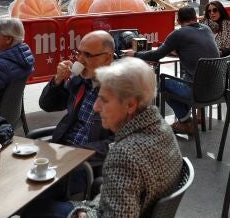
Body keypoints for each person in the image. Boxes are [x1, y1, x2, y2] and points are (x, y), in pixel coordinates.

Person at [64, 58, 183, 218]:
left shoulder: (125, 155)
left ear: (130, 105)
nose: (96, 107)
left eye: (104, 100)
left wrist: (83, 213)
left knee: (38, 208)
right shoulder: (162, 127)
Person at [127, 6, 219, 134]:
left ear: (179, 21)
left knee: (162, 83)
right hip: (217, 90)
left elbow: (157, 55)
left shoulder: (179, 33)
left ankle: (185, 121)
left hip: (197, 91)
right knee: (182, 80)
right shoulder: (207, 29)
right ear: (195, 18)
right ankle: (186, 120)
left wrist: (135, 55)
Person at [38, 31, 116, 176]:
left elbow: (119, 143)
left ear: (107, 58)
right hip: (62, 151)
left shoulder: (120, 90)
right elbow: (47, 105)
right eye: (79, 53)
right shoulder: (79, 80)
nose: (80, 60)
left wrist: (78, 154)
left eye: (87, 55)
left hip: (88, 166)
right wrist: (58, 80)